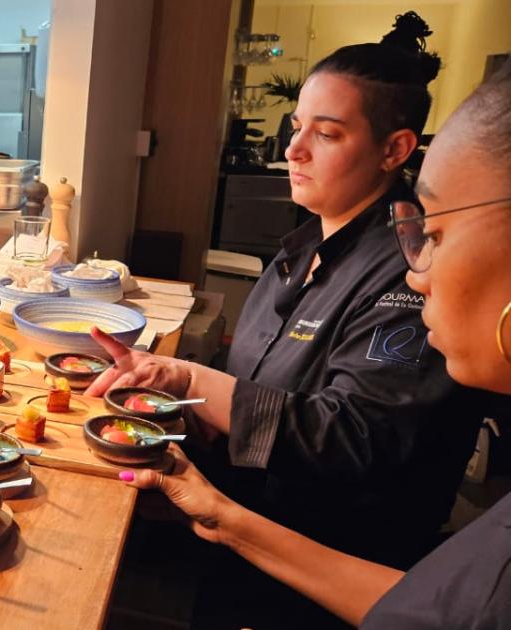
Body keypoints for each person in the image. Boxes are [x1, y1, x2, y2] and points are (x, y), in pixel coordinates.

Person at [89, 13, 494, 628]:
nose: (294, 150)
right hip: (235, 532)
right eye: (296, 127)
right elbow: (246, 384)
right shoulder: (296, 251)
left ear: (395, 149)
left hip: (327, 574)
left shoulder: (404, 272)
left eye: (326, 134)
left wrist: (189, 379)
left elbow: (360, 437)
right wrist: (167, 405)